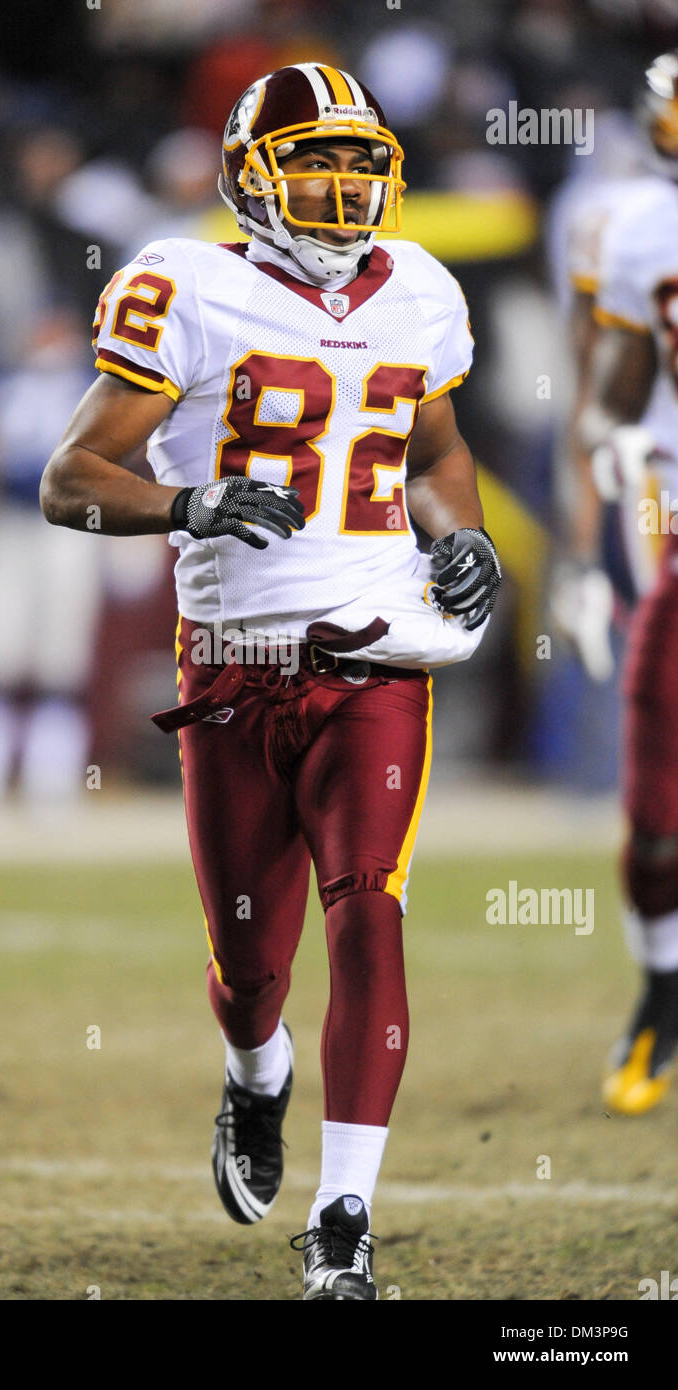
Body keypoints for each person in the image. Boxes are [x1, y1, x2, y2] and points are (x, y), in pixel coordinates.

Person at [40, 62, 501, 1300]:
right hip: (232, 667)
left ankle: (343, 1219)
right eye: (316, 160)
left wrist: (463, 536)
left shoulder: (419, 291)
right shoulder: (183, 284)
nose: (345, 184)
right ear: (251, 174)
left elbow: (439, 453)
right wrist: (187, 501)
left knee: (371, 905)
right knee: (251, 973)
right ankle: (256, 1076)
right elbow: (70, 479)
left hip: (374, 662)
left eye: (361, 161)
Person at [579, 51, 678, 1117]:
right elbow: (616, 391)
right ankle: (661, 987)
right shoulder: (642, 230)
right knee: (656, 808)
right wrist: (609, 442)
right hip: (675, 523)